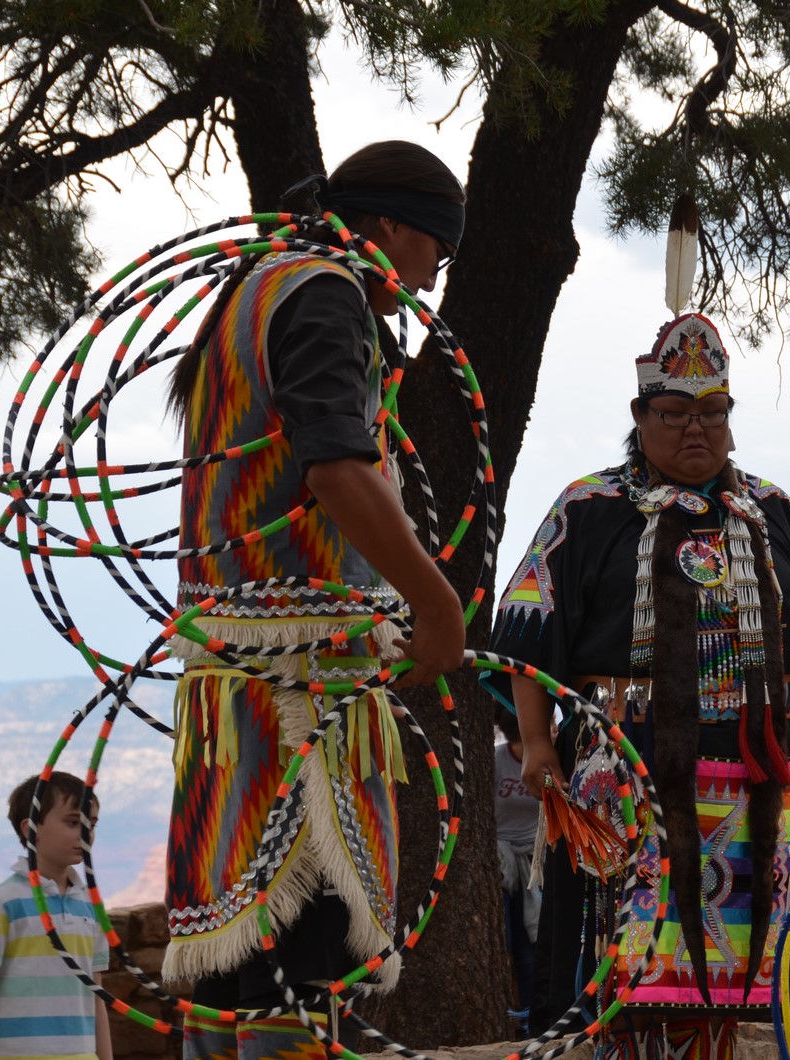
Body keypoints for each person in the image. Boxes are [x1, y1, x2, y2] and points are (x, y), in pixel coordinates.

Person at [482, 307, 790, 1059]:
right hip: (626, 773)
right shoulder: (591, 507)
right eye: (676, 411)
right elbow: (527, 621)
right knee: (616, 976)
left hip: (750, 783)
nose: (697, 428)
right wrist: (532, 745)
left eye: (714, 411)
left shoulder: (771, 511)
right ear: (641, 415)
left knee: (732, 988)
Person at [161, 140, 467, 1058]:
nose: (427, 283)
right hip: (303, 697)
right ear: (388, 229)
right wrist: (436, 601)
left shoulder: (256, 290)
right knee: (299, 967)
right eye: (435, 258)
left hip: (231, 696)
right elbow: (336, 466)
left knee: (233, 963)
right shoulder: (324, 290)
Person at [0, 772, 112, 1060]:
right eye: (72, 822)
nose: (86, 833)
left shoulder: (92, 907)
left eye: (92, 824)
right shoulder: (2, 903)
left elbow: (97, 996)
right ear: (31, 830)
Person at [493, 709, 542, 1031]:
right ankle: (504, 1012)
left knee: (529, 946)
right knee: (503, 939)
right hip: (499, 862)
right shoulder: (496, 760)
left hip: (534, 864)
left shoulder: (545, 760)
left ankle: (528, 1014)